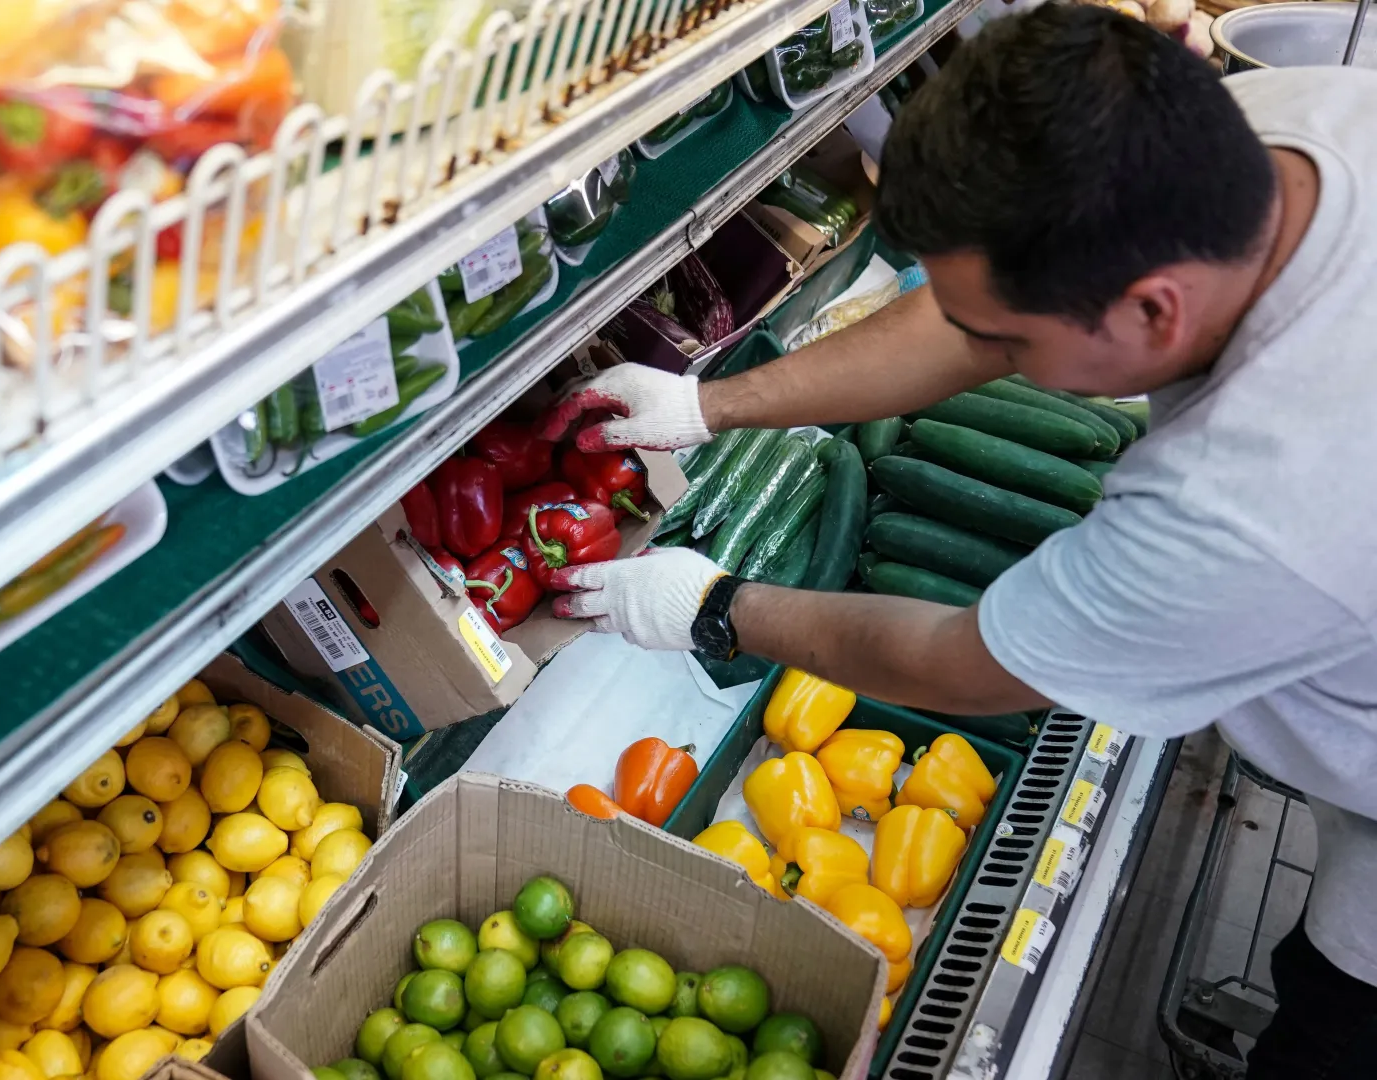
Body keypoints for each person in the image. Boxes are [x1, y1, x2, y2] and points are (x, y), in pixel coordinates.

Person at [536, 6, 1377, 1076]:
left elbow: (971, 663)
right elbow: (963, 314)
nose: (979, 347)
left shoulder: (1256, 503)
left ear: (1154, 314)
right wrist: (711, 405)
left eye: (1008, 344)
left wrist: (715, 609)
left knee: (1337, 1025)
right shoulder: (1282, 132)